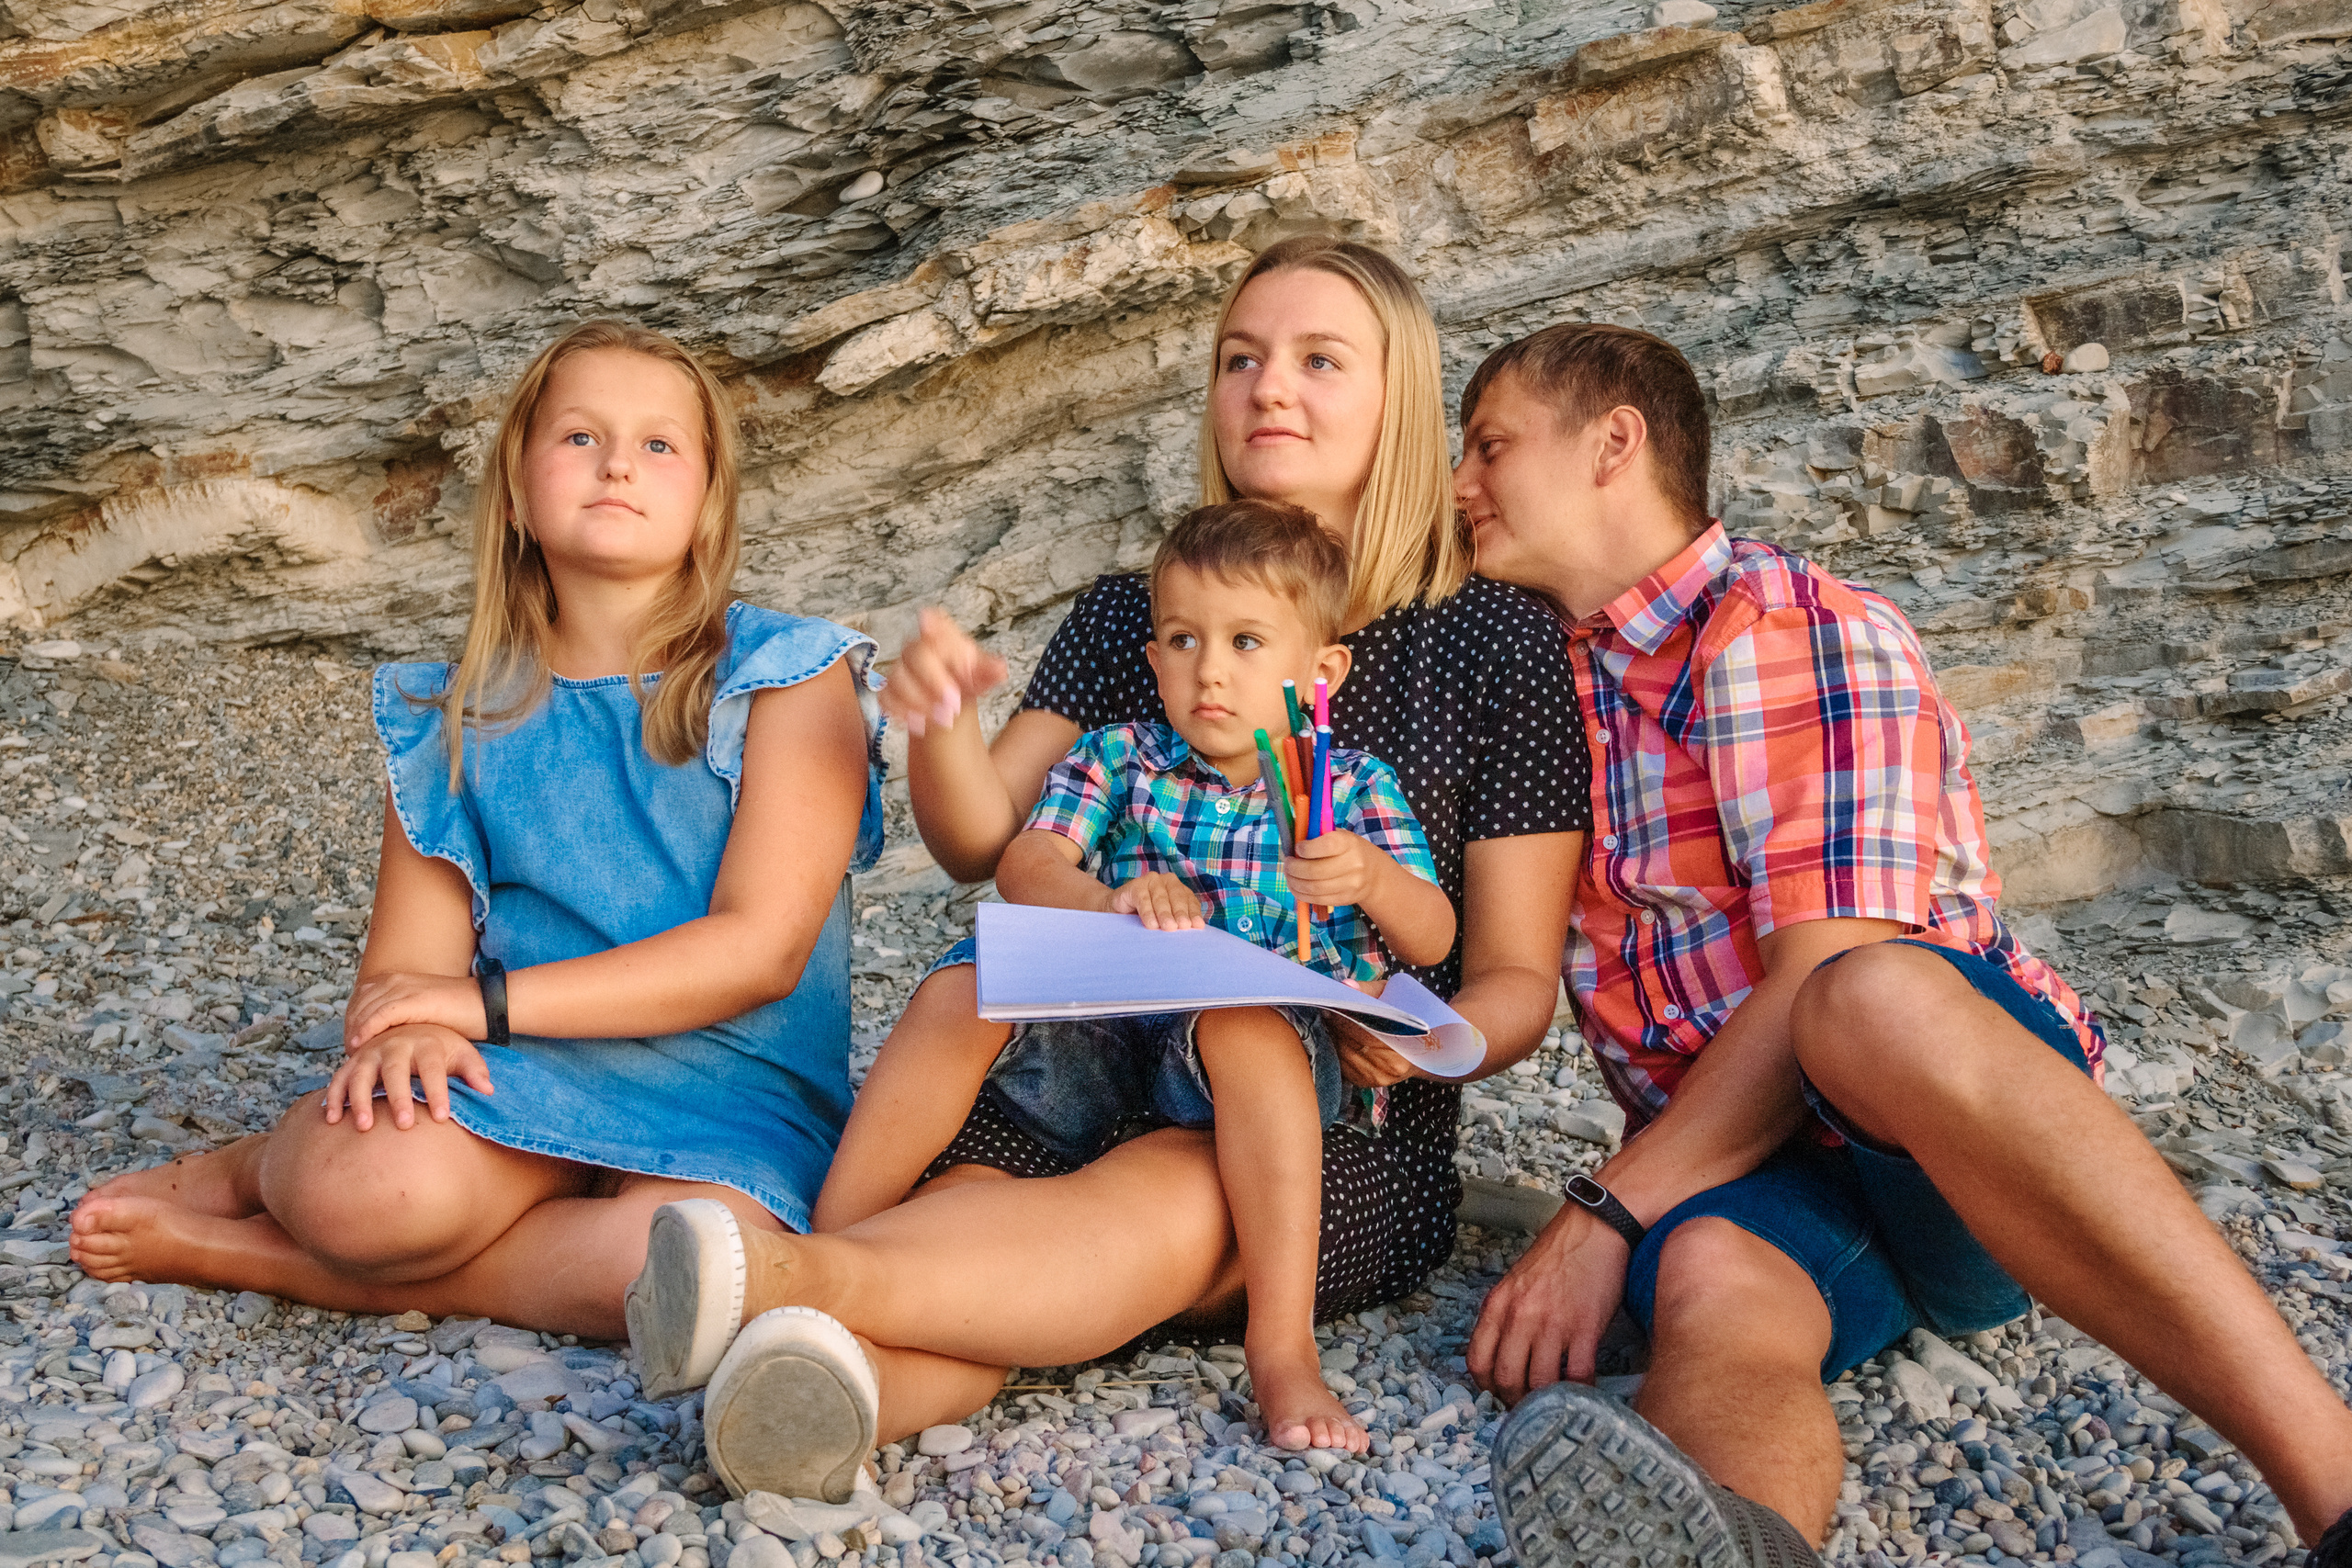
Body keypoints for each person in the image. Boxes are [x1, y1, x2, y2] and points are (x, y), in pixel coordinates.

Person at [617, 236, 1589, 1504]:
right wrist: (941, 725)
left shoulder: (1493, 639)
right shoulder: (1138, 614)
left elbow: (1511, 974)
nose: (1268, 387)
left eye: (1318, 361)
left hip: (1311, 1113)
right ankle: (830, 1393)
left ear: (1399, 399)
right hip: (1088, 1048)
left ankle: (779, 1279)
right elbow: (987, 842)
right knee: (985, 1190)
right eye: (1240, 358)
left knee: (1171, 1202)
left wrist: (1419, 1040)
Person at [1448, 321, 2352, 1568]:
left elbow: (1816, 983)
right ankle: (1744, 1541)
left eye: (1489, 445)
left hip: (1948, 1138)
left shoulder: (1784, 626)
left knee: (1862, 996)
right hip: (1759, 1166)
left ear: (1613, 443)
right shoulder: (1546, 676)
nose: (1460, 482)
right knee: (1708, 1274)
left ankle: (2335, 1484)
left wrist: (1600, 1211)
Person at [64, 319, 886, 1336]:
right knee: (367, 1193)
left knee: (696, 1261)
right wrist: (415, 1027)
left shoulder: (789, 677)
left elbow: (759, 953)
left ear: (710, 503)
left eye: (660, 443)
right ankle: (257, 1168)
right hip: (526, 1065)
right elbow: (404, 975)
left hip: (736, 1094)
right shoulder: (455, 715)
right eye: (580, 437)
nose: (618, 463)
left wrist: (476, 1004)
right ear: (514, 493)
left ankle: (261, 1258)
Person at [832, 498, 1453, 1452]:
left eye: (1247, 642)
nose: (1211, 669)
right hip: (1108, 1035)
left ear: (1320, 674)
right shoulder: (1119, 758)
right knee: (966, 983)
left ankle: (1281, 1347)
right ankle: (834, 1232)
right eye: (1184, 640)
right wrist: (1107, 900)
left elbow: (1434, 935)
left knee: (1244, 1024)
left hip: (1259, 1076)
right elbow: (1027, 862)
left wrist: (1368, 877)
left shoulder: (1351, 786)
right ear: (1155, 659)